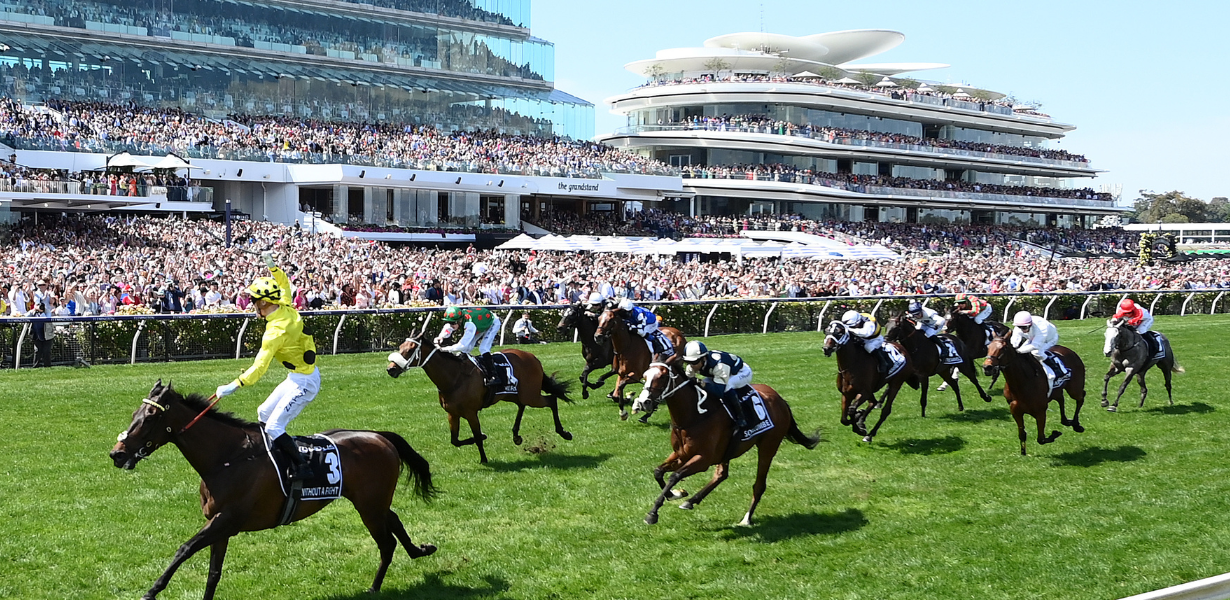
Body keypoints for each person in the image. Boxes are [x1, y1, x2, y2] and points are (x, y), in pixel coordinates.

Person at [214, 253, 320, 482]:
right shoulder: (284, 304)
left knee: (273, 426)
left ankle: (302, 467)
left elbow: (259, 367)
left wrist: (235, 384)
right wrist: (273, 267)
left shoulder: (274, 333)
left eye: (253, 300)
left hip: (306, 382)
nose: (251, 304)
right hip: (297, 376)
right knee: (263, 412)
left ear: (263, 302)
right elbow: (284, 284)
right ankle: (270, 454)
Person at [682, 340, 752, 429]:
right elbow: (688, 382)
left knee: (727, 386)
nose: (691, 366)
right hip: (719, 373)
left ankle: (741, 417)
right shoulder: (693, 365)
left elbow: (719, 392)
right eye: (688, 362)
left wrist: (701, 383)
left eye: (694, 362)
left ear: (704, 358)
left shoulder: (720, 366)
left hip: (741, 372)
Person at [435, 304, 502, 385]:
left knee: (483, 348)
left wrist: (444, 349)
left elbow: (462, 345)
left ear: (459, 321)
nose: (450, 325)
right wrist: (440, 337)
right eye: (448, 322)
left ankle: (494, 376)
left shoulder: (469, 325)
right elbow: (448, 327)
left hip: (492, 322)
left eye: (452, 323)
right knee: (468, 349)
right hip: (480, 323)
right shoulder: (458, 319)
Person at [1009, 310, 1062, 387]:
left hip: (1049, 339)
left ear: (1030, 324)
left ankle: (1056, 369)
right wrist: (1013, 349)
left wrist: (1018, 351)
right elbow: (1014, 342)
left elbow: (1035, 346)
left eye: (1024, 327)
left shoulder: (1041, 327)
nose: (1022, 330)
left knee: (1036, 352)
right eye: (1020, 327)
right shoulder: (1018, 327)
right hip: (1032, 338)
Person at [842, 310, 893, 375]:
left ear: (858, 321)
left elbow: (865, 333)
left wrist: (849, 329)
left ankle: (883, 362)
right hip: (861, 338)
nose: (853, 327)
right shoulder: (853, 319)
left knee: (868, 346)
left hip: (874, 339)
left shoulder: (869, 322)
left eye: (854, 326)